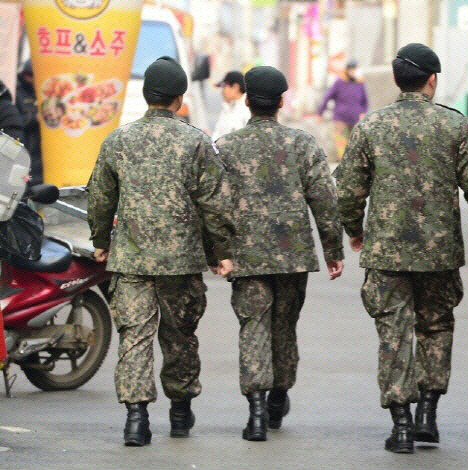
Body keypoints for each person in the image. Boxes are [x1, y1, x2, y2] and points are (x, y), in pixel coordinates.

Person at [333, 43, 468, 454]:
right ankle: (428, 414)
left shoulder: (371, 127)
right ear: (432, 79)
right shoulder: (455, 126)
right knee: (436, 327)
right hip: (439, 253)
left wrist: (355, 229)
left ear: (395, 79)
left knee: (393, 332)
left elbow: (348, 191)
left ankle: (402, 425)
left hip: (386, 252)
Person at [86, 56, 234, 447]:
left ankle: (136, 419)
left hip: (130, 260)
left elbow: (100, 197)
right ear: (179, 98)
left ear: (145, 94)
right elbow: (214, 204)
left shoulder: (118, 140)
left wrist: (101, 241)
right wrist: (220, 251)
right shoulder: (197, 141)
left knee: (135, 336)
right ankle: (181, 409)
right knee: (180, 335)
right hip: (181, 262)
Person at [215, 65, 344, 442]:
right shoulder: (302, 144)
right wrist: (333, 248)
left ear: (247, 100)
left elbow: (214, 204)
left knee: (253, 327)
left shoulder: (226, 146)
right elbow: (324, 198)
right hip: (293, 257)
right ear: (281, 102)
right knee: (284, 328)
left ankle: (255, 414)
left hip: (246, 257)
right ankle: (277, 400)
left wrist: (218, 250)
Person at [317, 60, 368, 160]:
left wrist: (363, 112)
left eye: (355, 70)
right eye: (352, 70)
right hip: (341, 117)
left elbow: (365, 100)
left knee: (354, 139)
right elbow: (328, 97)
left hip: (355, 117)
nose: (353, 72)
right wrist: (320, 112)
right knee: (340, 139)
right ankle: (342, 159)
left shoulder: (360, 83)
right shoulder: (339, 82)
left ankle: (352, 159)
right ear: (347, 70)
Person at [16, 59, 43, 184]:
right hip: (25, 155)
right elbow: (11, 123)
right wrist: (34, 118)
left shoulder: (42, 91)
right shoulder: (15, 92)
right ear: (28, 76)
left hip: (44, 158)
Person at [211, 70, 251, 141]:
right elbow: (218, 132)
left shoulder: (247, 109)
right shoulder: (228, 107)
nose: (222, 92)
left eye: (224, 87)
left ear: (236, 87)